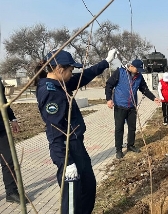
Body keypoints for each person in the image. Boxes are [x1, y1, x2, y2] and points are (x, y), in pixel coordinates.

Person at [34, 48, 117, 213]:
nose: (73, 74)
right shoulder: (51, 92)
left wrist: (105, 62)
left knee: (88, 185)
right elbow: (55, 131)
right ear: (59, 69)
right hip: (66, 150)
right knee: (73, 196)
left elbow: (83, 76)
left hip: (76, 145)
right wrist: (65, 163)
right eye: (71, 70)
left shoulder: (60, 83)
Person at [105, 59, 161, 159]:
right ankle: (118, 149)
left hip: (132, 106)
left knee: (132, 127)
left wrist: (153, 98)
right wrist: (109, 99)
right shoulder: (120, 72)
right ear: (131, 66)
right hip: (120, 105)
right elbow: (109, 85)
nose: (138, 71)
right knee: (119, 128)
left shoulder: (139, 76)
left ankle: (130, 145)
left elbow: (144, 89)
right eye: (137, 69)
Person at [0, 82, 25, 204]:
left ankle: (11, 192)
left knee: (8, 160)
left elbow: (3, 101)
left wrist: (13, 119)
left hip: (1, 129)